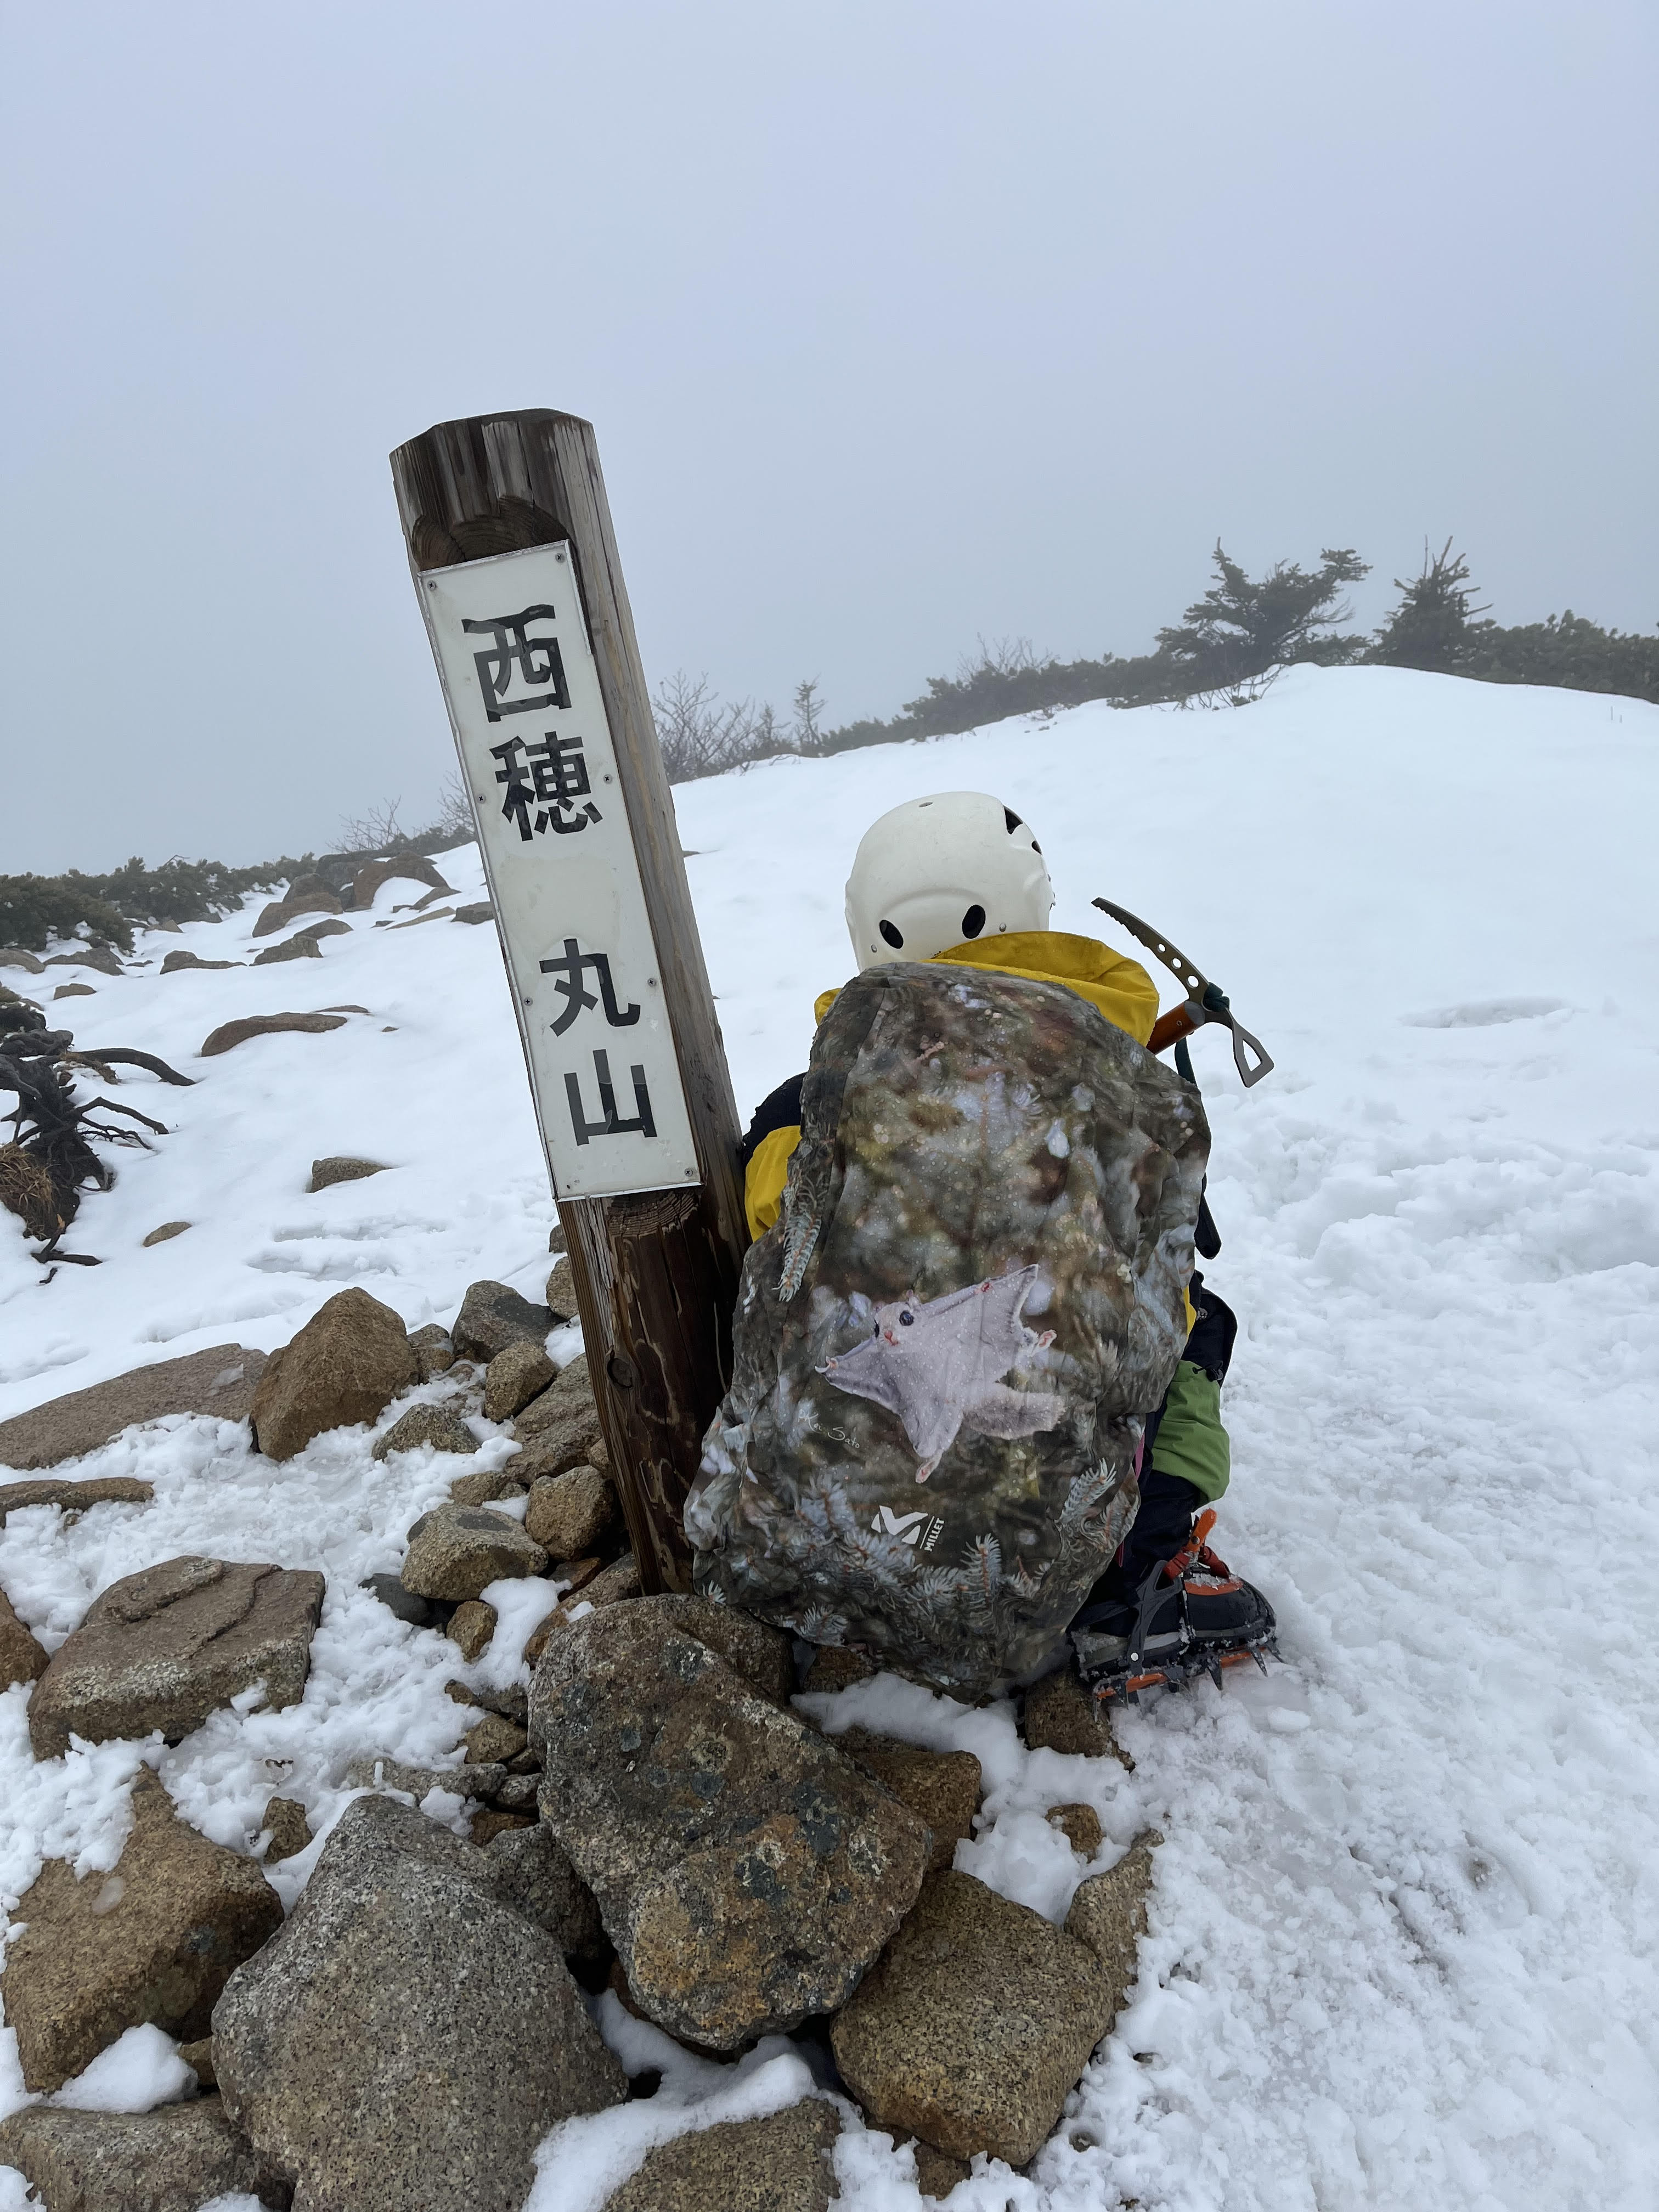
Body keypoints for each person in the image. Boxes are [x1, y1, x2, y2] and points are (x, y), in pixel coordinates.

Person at [737, 789, 1273, 1691]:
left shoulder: (804, 1107)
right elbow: (1160, 1299)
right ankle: (1132, 1585)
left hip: (828, 1494)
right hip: (1043, 1504)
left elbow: (770, 1248)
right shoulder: (1130, 1104)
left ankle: (835, 1562)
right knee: (1200, 1328)